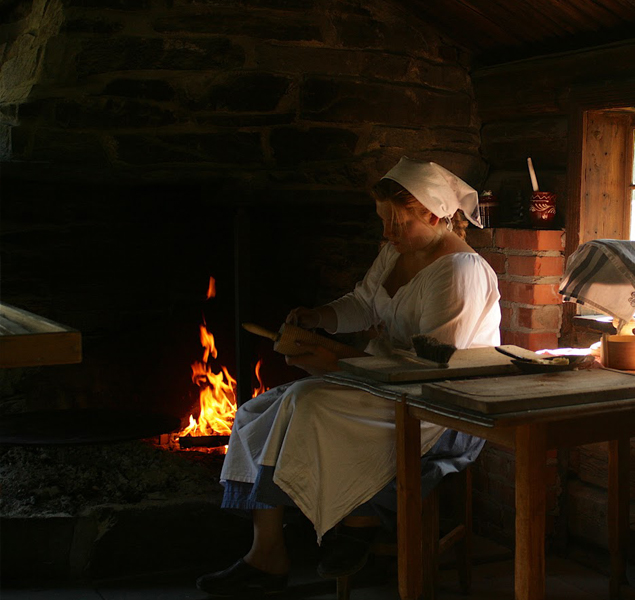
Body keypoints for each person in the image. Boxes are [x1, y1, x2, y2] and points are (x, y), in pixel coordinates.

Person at [197, 157, 501, 597]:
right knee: (256, 411)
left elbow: (430, 364)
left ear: (435, 215)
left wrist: (333, 357)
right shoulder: (395, 252)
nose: (387, 234)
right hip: (385, 383)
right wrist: (318, 317)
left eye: (396, 223)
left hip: (438, 403)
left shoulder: (460, 272)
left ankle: (359, 521)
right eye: (383, 222)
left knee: (309, 403)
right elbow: (362, 303)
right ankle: (266, 555)